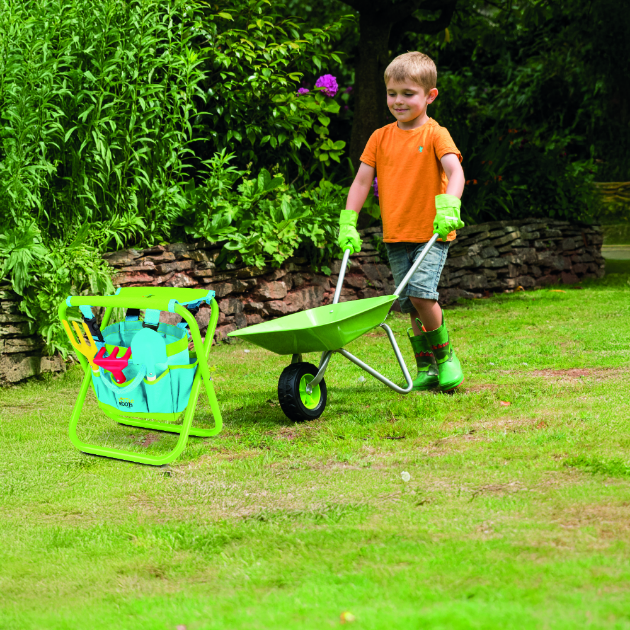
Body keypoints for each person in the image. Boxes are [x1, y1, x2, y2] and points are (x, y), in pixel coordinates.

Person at [337, 51, 465, 392]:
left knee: (423, 295)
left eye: (408, 94)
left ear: (429, 96)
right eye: (392, 93)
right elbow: (362, 181)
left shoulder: (436, 134)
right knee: (410, 302)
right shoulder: (380, 137)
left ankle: (446, 356)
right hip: (396, 233)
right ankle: (426, 369)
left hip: (432, 231)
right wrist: (348, 221)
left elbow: (455, 171)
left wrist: (450, 206)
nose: (398, 100)